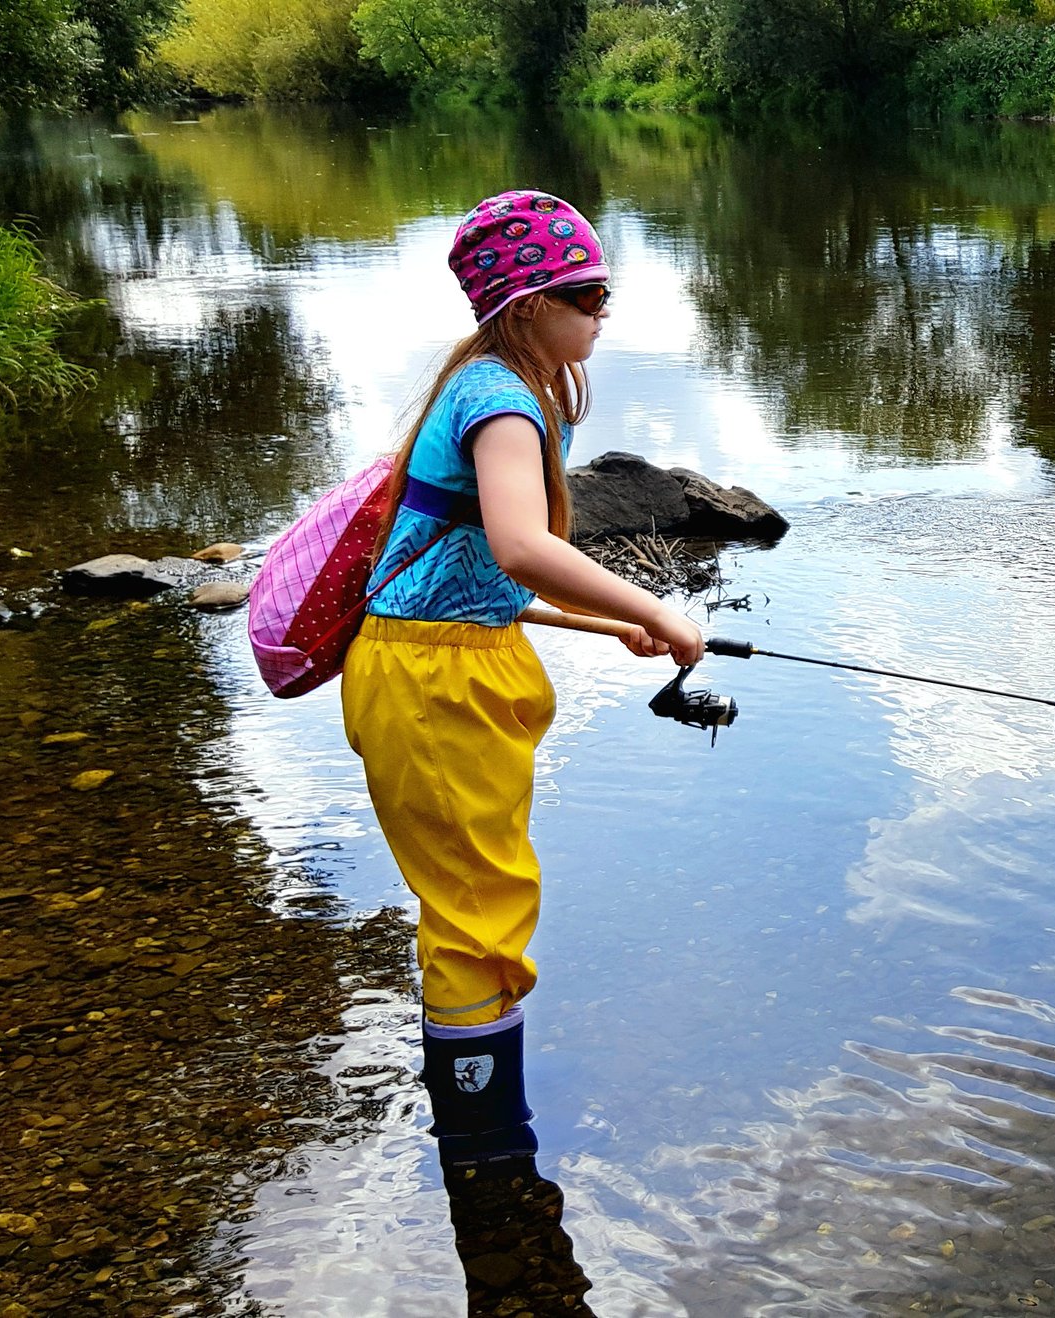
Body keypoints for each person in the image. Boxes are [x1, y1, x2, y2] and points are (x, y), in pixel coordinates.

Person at [342, 190, 703, 1166]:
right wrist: (652, 607)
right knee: (477, 911)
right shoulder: (500, 400)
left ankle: (482, 1116)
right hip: (432, 683)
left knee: (480, 894)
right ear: (530, 303)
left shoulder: (500, 390)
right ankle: (486, 1145)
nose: (604, 311)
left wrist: (598, 622)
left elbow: (458, 579)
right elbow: (520, 544)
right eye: (589, 293)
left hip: (441, 664)